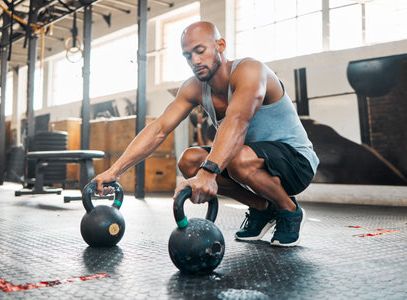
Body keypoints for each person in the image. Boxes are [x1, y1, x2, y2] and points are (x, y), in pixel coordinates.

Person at [92, 21, 319, 247]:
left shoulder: (250, 70)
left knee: (236, 159)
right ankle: (262, 208)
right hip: (252, 163)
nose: (195, 61)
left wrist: (209, 172)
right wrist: (114, 171)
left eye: (200, 51)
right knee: (190, 161)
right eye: (187, 56)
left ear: (220, 45)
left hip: (296, 164)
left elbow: (237, 121)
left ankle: (289, 209)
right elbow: (159, 129)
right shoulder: (193, 88)